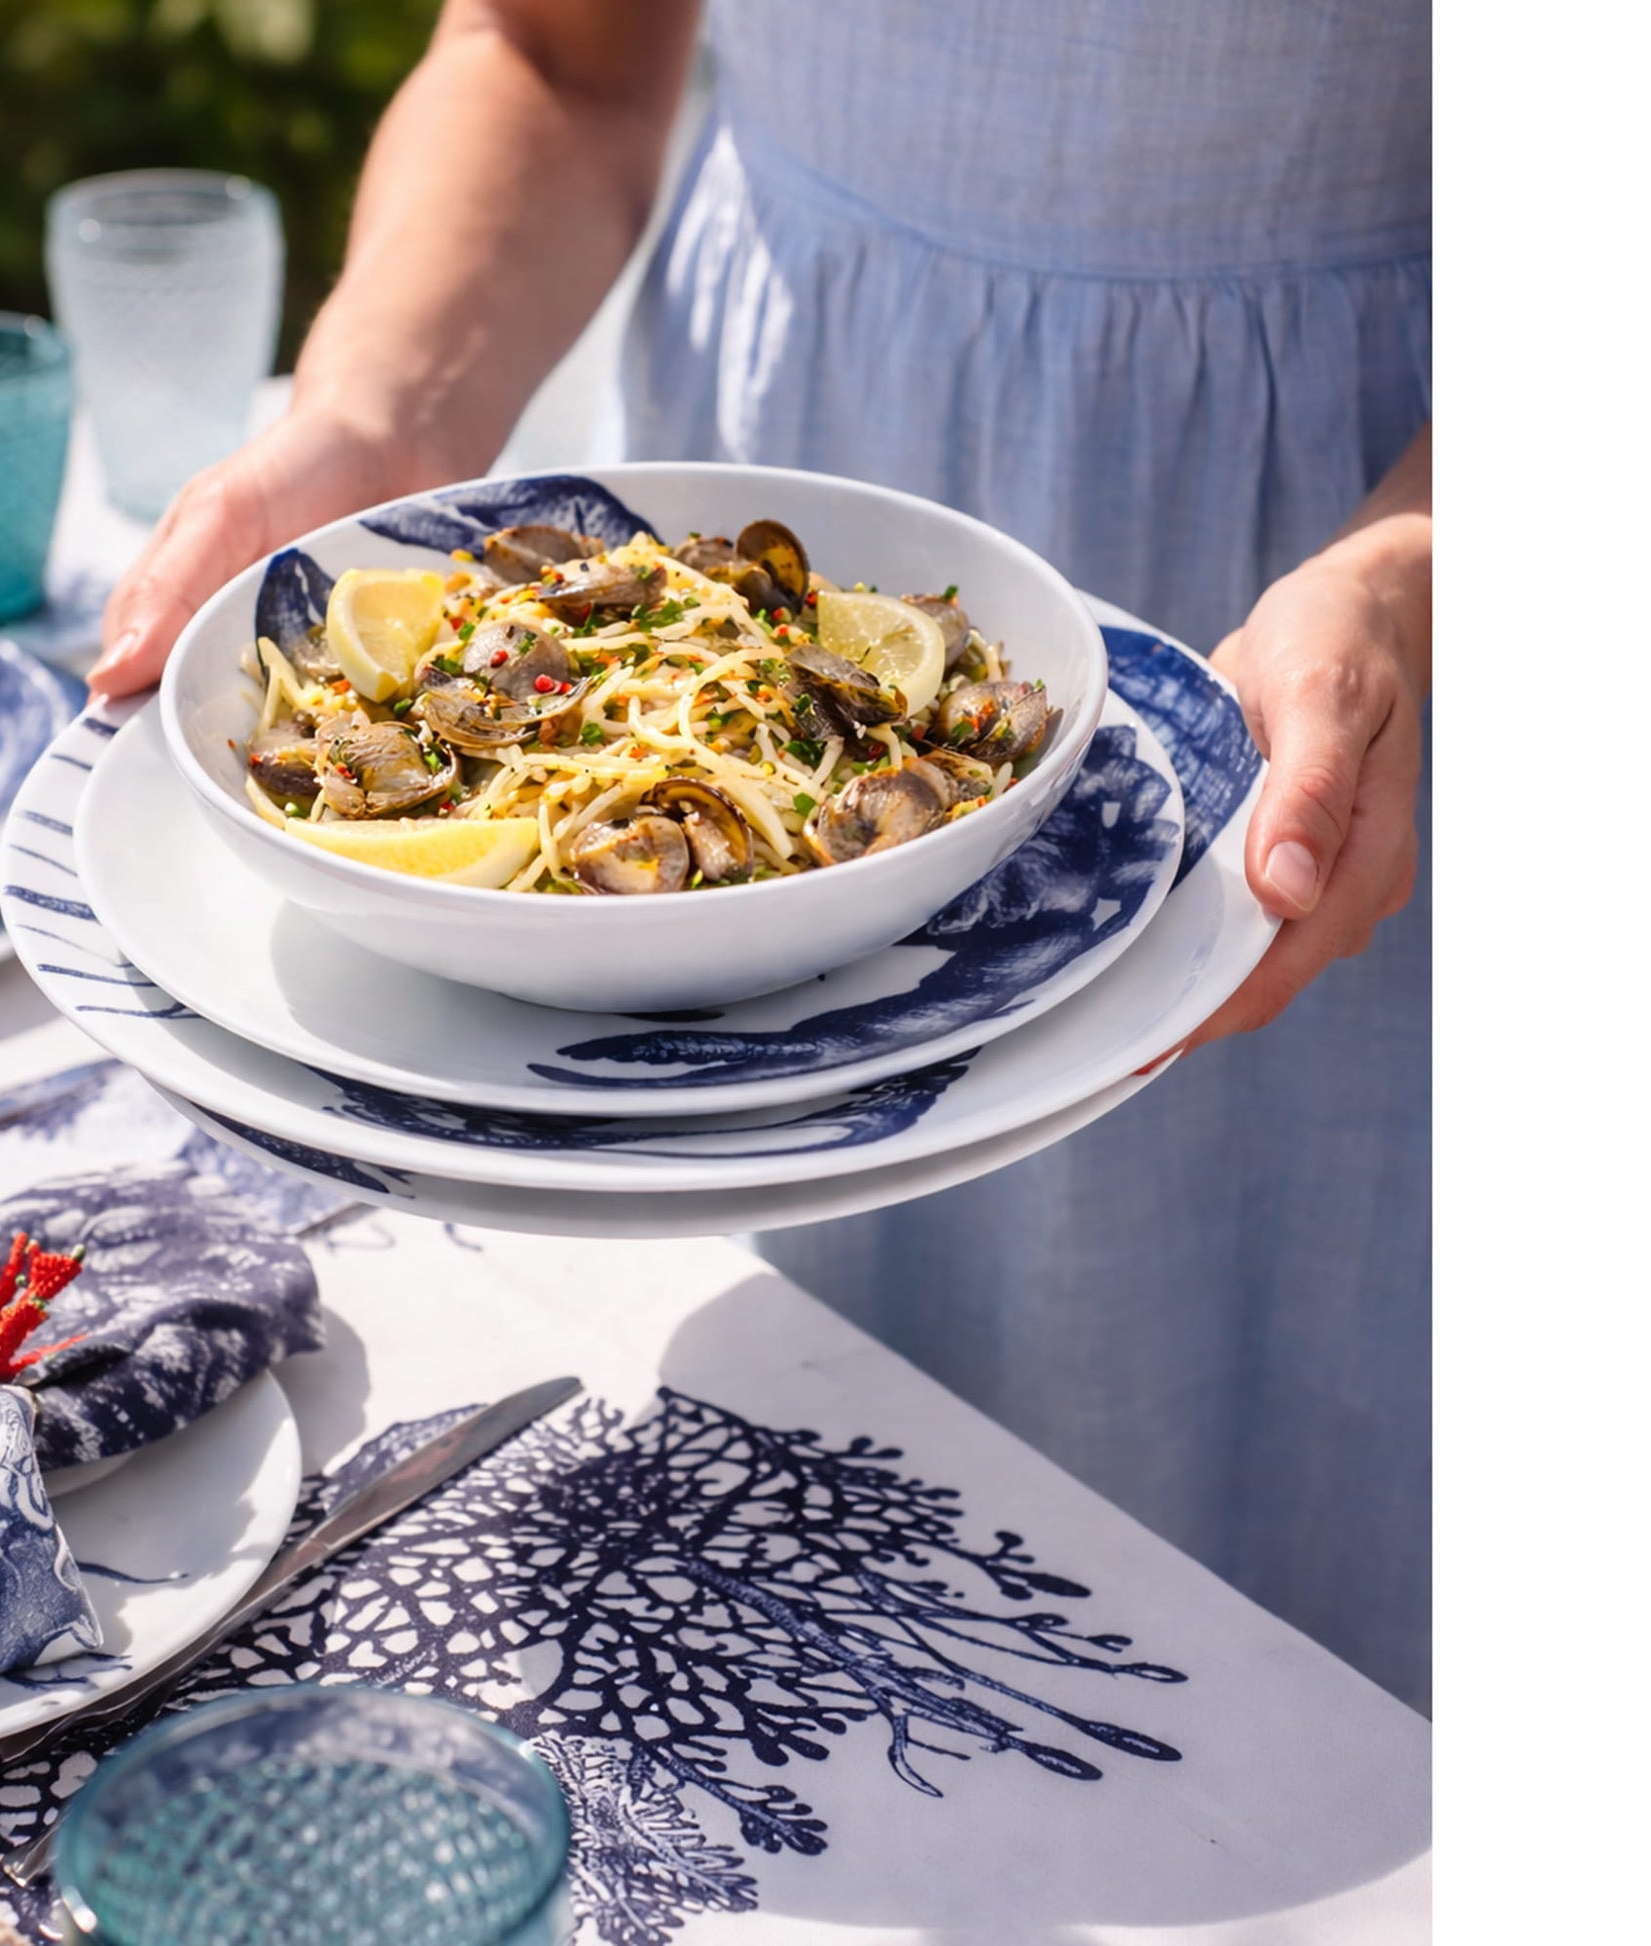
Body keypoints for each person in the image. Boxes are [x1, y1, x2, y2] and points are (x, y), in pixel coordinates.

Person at [90, 1, 1432, 1707]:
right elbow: (555, 53)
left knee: (1275, 1570)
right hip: (772, 443)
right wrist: (381, 421)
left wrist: (1398, 584)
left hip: (1345, 560)